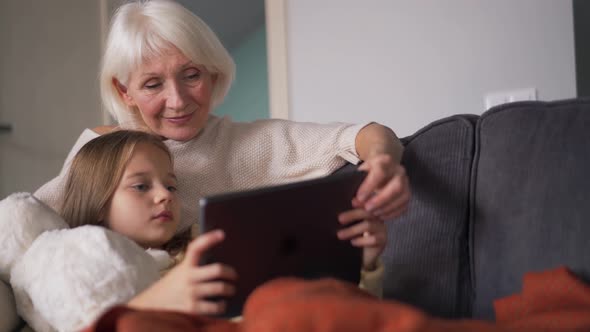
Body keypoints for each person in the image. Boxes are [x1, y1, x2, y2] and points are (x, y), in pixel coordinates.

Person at [35, 0, 410, 313]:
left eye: (191, 75)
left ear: (213, 75)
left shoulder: (250, 144)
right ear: (124, 90)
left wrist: (383, 162)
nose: (178, 100)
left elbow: (367, 135)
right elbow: (28, 234)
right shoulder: (102, 154)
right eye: (153, 84)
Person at [57, 129, 386, 317]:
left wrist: (364, 264)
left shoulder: (203, 246)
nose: (165, 196)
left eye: (171, 185)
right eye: (141, 186)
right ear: (98, 201)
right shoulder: (77, 265)